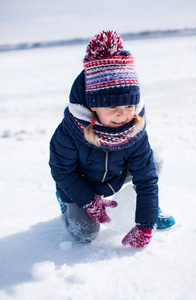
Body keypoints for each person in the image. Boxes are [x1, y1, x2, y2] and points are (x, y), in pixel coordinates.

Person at [49, 31, 175, 248]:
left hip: (115, 176)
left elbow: (145, 178)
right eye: (112, 107)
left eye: (129, 106)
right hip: (82, 184)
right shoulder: (70, 130)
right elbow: (62, 171)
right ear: (93, 106)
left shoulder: (135, 128)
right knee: (85, 234)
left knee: (154, 160)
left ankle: (146, 207)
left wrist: (146, 222)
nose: (122, 114)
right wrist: (88, 200)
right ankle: (67, 207)